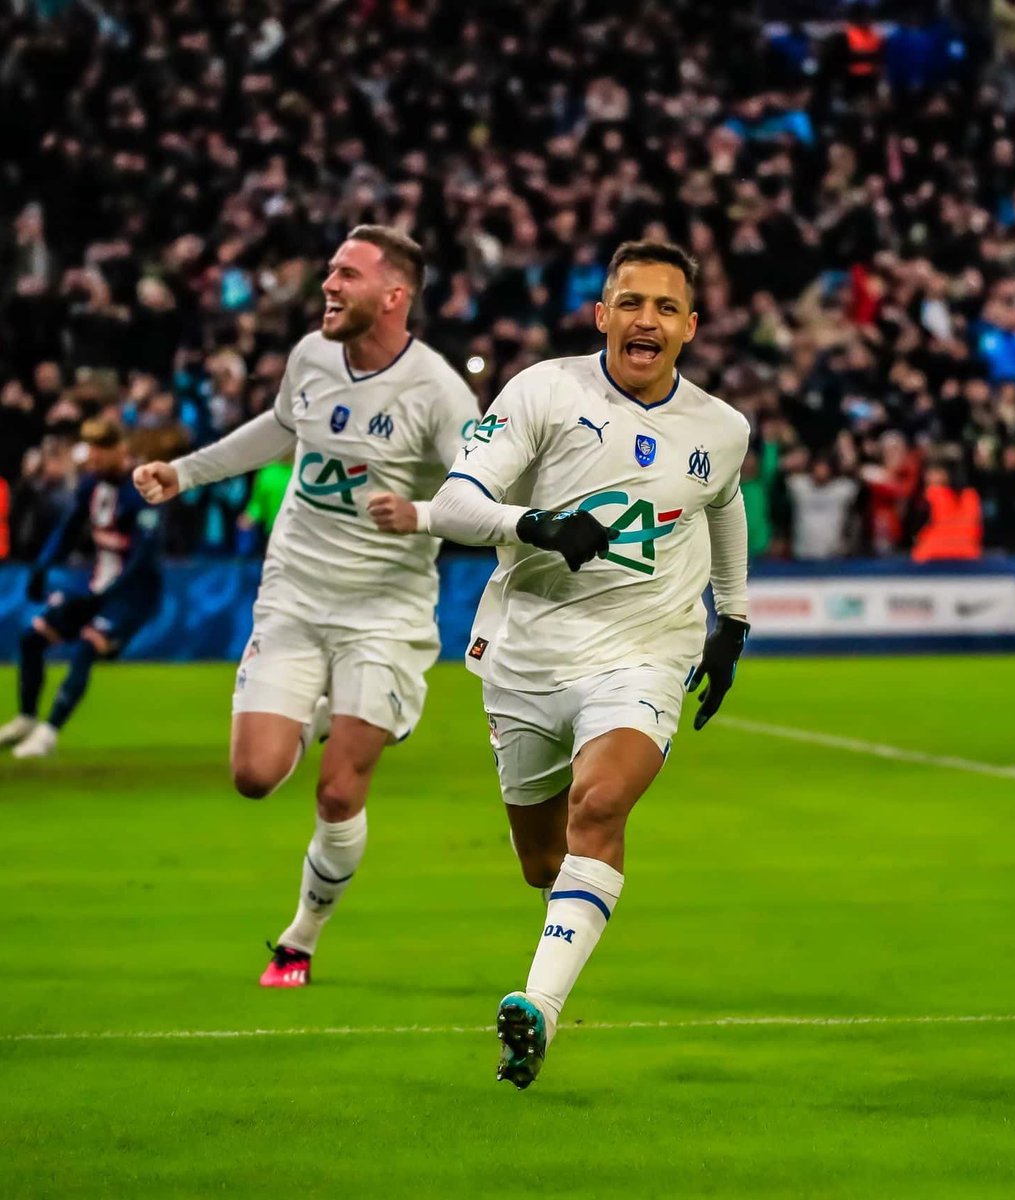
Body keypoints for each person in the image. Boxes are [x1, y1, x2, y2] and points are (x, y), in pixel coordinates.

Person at [415, 240, 751, 1088]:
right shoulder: (544, 390)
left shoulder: (722, 427)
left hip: (646, 648)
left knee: (599, 807)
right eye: (631, 303)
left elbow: (725, 500)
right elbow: (454, 505)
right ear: (601, 315)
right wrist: (535, 525)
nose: (648, 320)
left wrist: (732, 618)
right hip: (528, 648)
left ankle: (538, 1009)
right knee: (544, 862)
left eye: (666, 308)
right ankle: (569, 924)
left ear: (690, 328)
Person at [132, 226, 479, 986]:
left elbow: (478, 495)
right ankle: (319, 709)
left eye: (346, 274)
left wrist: (420, 512)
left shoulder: (439, 392)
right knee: (255, 776)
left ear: (393, 296)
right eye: (329, 270)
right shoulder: (311, 357)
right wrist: (185, 474)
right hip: (295, 590)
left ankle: (301, 937)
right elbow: (281, 429)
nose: (328, 283)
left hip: (383, 612)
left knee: (337, 787)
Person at [0, 419, 163, 758]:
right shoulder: (92, 485)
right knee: (33, 639)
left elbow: (143, 556)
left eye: (100, 451)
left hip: (133, 594)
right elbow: (68, 527)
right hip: (97, 585)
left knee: (87, 645)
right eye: (90, 452)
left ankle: (49, 733)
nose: (92, 459)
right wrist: (42, 566)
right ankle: (27, 719)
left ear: (120, 450)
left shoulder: (142, 489)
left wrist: (111, 594)